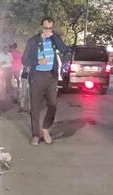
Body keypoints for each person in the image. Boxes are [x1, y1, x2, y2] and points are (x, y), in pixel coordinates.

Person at [22, 16, 68, 146]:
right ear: (40, 27)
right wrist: (37, 61)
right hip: (37, 77)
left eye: (50, 28)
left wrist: (54, 36)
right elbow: (24, 60)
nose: (48, 30)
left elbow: (64, 50)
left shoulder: (54, 39)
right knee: (35, 108)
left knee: (53, 105)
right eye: (45, 28)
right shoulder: (32, 41)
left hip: (51, 77)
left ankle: (46, 129)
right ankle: (36, 135)